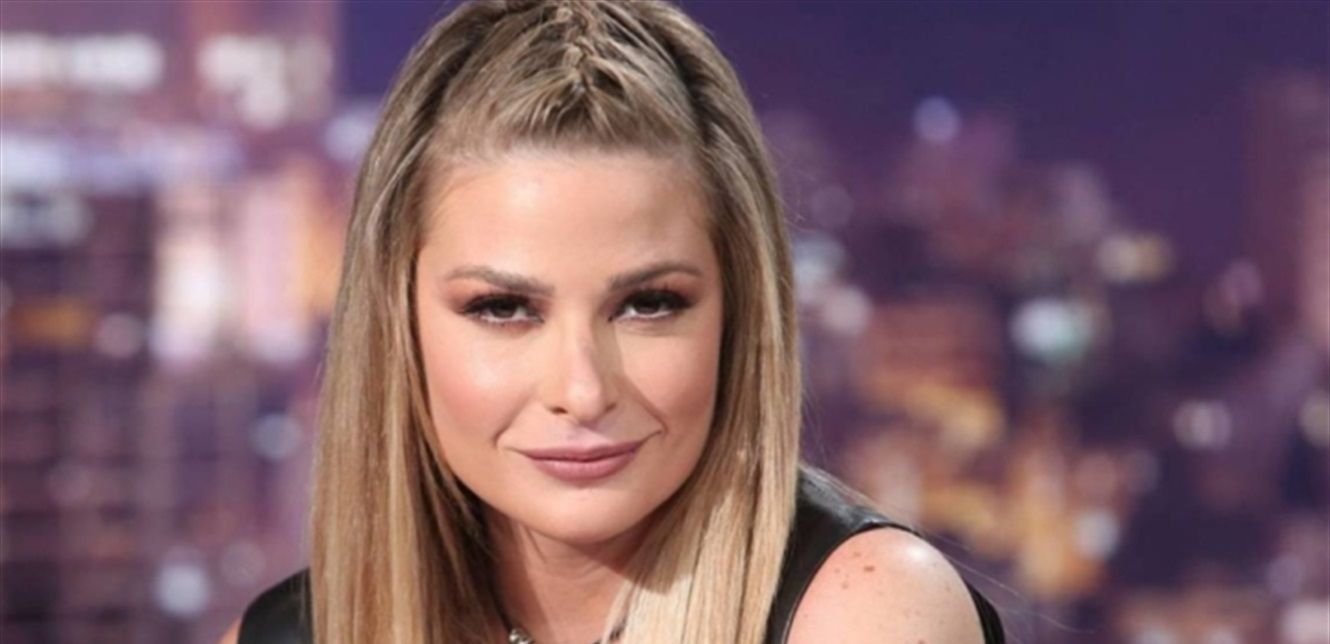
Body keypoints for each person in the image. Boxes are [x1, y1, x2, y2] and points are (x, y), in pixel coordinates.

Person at [221, 1, 1006, 642]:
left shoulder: (870, 612)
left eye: (648, 304)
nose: (582, 389)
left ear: (738, 316)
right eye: (503, 308)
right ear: (399, 327)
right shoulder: (289, 635)